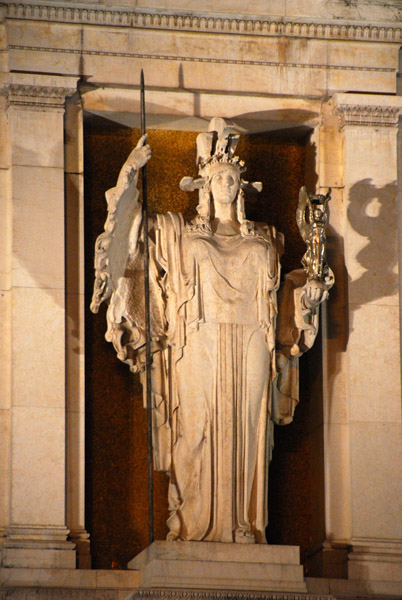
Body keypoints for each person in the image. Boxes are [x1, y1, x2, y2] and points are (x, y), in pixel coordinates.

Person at [91, 118, 331, 544]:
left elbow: (283, 296)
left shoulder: (266, 237)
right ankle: (191, 525)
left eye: (232, 178)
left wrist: (307, 292)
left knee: (249, 433)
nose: (225, 183)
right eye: (218, 177)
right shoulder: (177, 231)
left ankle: (244, 525)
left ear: (241, 186)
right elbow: (129, 237)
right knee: (196, 430)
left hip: (252, 339)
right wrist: (128, 177)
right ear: (204, 184)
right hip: (195, 340)